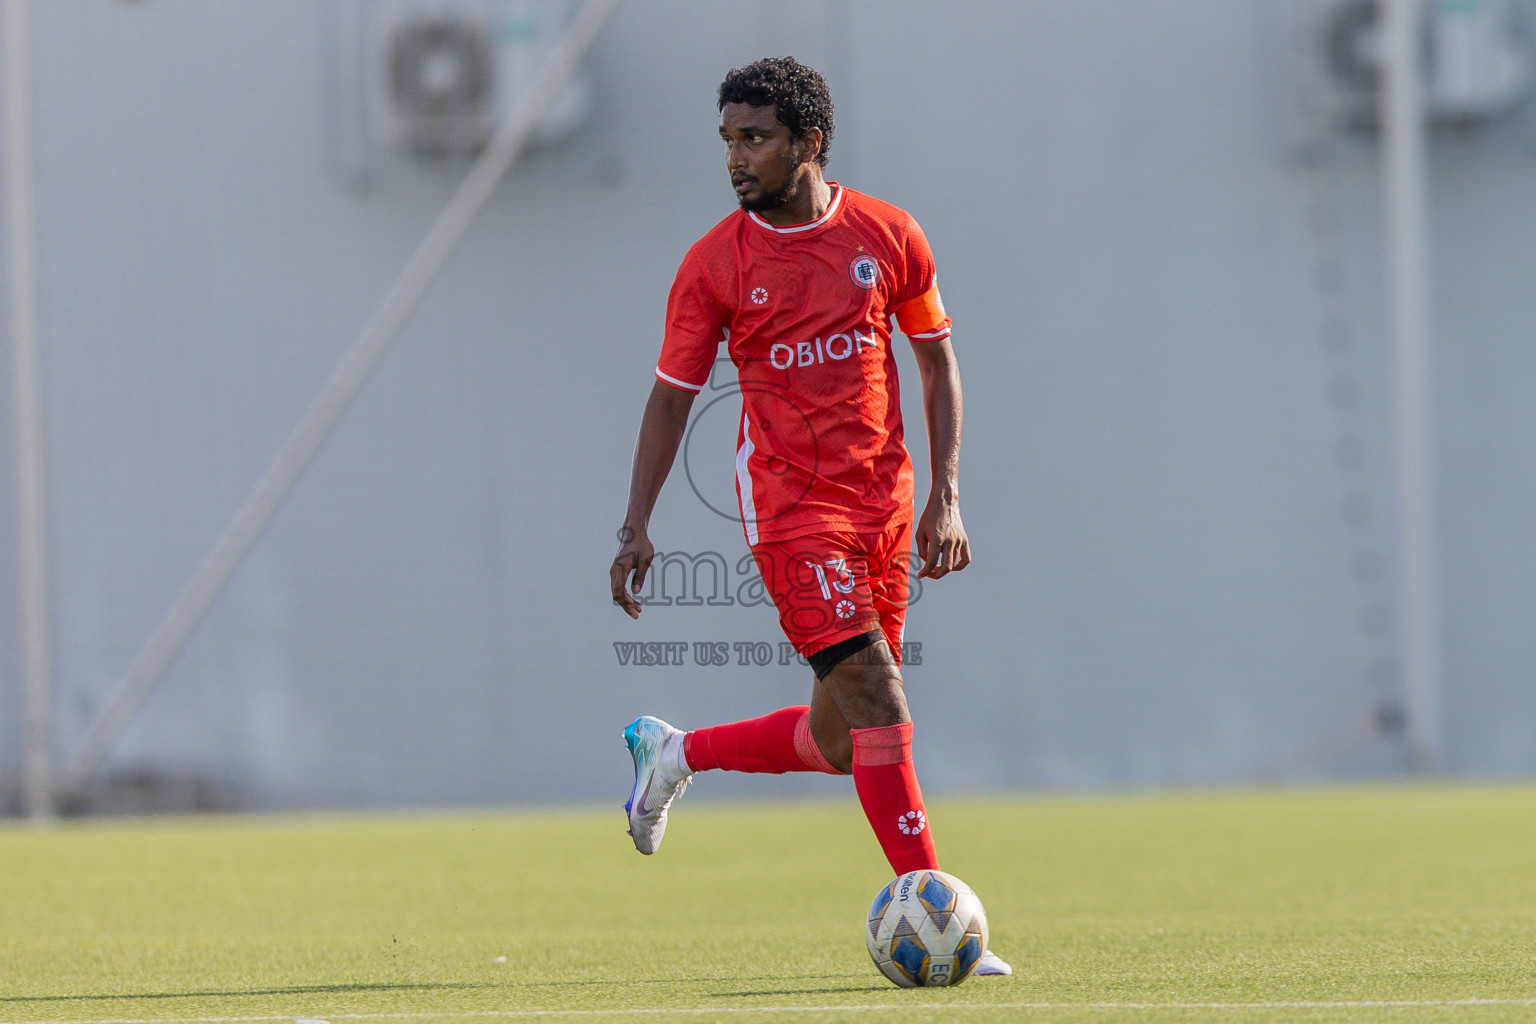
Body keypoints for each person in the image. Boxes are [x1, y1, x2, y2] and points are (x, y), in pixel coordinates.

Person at [608, 57, 1009, 978]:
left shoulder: (888, 234)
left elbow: (937, 361)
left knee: (841, 740)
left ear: (808, 142)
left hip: (885, 505)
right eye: (727, 142)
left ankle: (674, 751)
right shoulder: (714, 265)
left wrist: (945, 493)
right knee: (880, 697)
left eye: (754, 140)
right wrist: (637, 523)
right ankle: (935, 910)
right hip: (791, 513)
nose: (736, 160)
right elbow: (671, 397)